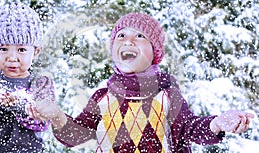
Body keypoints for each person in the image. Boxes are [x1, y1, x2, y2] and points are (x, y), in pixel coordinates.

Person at [27, 12, 254, 153]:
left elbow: (191, 130)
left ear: (154, 52)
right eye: (121, 36)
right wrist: (56, 115)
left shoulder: (167, 96)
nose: (129, 41)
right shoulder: (102, 98)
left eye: (139, 36)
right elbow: (76, 135)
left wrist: (218, 123)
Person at [0, 2, 55, 153]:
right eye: (3, 49)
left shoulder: (40, 84)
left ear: (36, 51)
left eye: (21, 49)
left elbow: (42, 123)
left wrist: (19, 106)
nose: (12, 57)